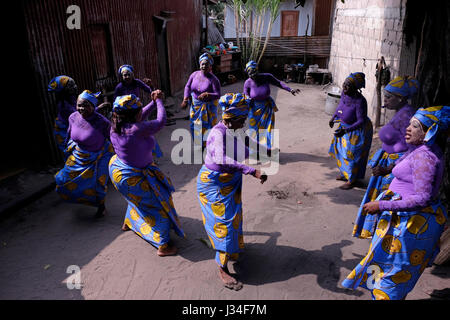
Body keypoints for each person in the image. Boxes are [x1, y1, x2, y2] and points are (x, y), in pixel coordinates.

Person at [342, 106, 449, 300]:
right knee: (383, 266)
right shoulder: (419, 149)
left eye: (415, 126)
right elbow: (405, 163)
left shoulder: (425, 157)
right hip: (401, 222)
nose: (408, 128)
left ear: (428, 132)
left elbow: (422, 198)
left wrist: (381, 205)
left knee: (393, 274)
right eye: (410, 123)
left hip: (409, 226)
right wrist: (388, 169)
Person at [197, 93, 268, 290]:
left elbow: (243, 148)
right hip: (213, 184)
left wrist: (264, 150)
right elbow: (220, 158)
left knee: (234, 219)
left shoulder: (233, 132)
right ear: (233, 118)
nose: (244, 123)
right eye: (242, 120)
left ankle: (232, 251)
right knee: (224, 225)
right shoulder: (217, 133)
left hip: (230, 182)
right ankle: (222, 267)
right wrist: (251, 170)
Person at [109, 93, 184, 256]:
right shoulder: (137, 129)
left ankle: (128, 222)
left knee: (136, 200)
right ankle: (164, 246)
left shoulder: (117, 124)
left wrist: (151, 102)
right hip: (132, 177)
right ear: (134, 114)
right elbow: (161, 121)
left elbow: (139, 115)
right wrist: (158, 101)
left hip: (119, 171)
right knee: (159, 206)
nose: (141, 112)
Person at [353, 76, 419, 238]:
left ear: (401, 98)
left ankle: (383, 237)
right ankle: (378, 234)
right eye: (385, 95)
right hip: (389, 164)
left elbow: (413, 150)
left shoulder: (406, 116)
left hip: (395, 167)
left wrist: (389, 168)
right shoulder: (400, 112)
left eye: (389, 96)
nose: (386, 99)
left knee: (388, 202)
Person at [54, 90, 114, 218]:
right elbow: (69, 134)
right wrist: (67, 147)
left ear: (93, 106)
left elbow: (115, 139)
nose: (81, 108)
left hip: (100, 155)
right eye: (79, 105)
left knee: (98, 184)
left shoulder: (102, 122)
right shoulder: (73, 117)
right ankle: (80, 199)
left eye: (86, 105)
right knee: (62, 179)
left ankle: (101, 207)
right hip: (79, 154)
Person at [244, 60, 300, 158]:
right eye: (250, 74)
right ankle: (254, 152)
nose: (253, 76)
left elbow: (279, 83)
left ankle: (266, 151)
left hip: (266, 107)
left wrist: (290, 89)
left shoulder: (267, 77)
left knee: (267, 130)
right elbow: (245, 96)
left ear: (257, 71)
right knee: (254, 130)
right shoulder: (247, 83)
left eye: (254, 73)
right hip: (253, 109)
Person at [328, 72, 373, 190]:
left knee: (352, 155)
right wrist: (333, 118)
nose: (345, 88)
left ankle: (352, 180)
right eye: (344, 84)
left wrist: (346, 130)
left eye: (348, 86)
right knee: (341, 152)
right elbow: (340, 107)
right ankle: (345, 174)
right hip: (344, 128)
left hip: (356, 131)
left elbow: (361, 121)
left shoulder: (360, 101)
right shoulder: (344, 94)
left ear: (355, 88)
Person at [114, 64, 164, 159]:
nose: (127, 77)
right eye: (125, 75)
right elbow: (115, 101)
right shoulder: (119, 87)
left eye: (129, 74)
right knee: (130, 135)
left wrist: (153, 89)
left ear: (133, 74)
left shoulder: (137, 82)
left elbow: (149, 91)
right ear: (122, 76)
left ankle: (152, 154)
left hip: (138, 112)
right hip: (125, 115)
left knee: (146, 131)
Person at [181, 53, 221, 149]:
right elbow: (187, 86)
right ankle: (199, 144)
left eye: (206, 64)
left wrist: (208, 94)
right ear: (199, 64)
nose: (204, 66)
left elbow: (218, 94)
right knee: (194, 125)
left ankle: (209, 145)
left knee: (208, 126)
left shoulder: (214, 80)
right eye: (202, 64)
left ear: (210, 66)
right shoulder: (194, 75)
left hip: (209, 107)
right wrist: (185, 99)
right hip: (196, 105)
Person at [47, 75, 78, 156]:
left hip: (68, 128)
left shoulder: (71, 97)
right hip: (63, 131)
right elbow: (78, 115)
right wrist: (97, 108)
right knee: (71, 155)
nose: (74, 87)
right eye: (70, 86)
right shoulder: (63, 105)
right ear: (63, 90)